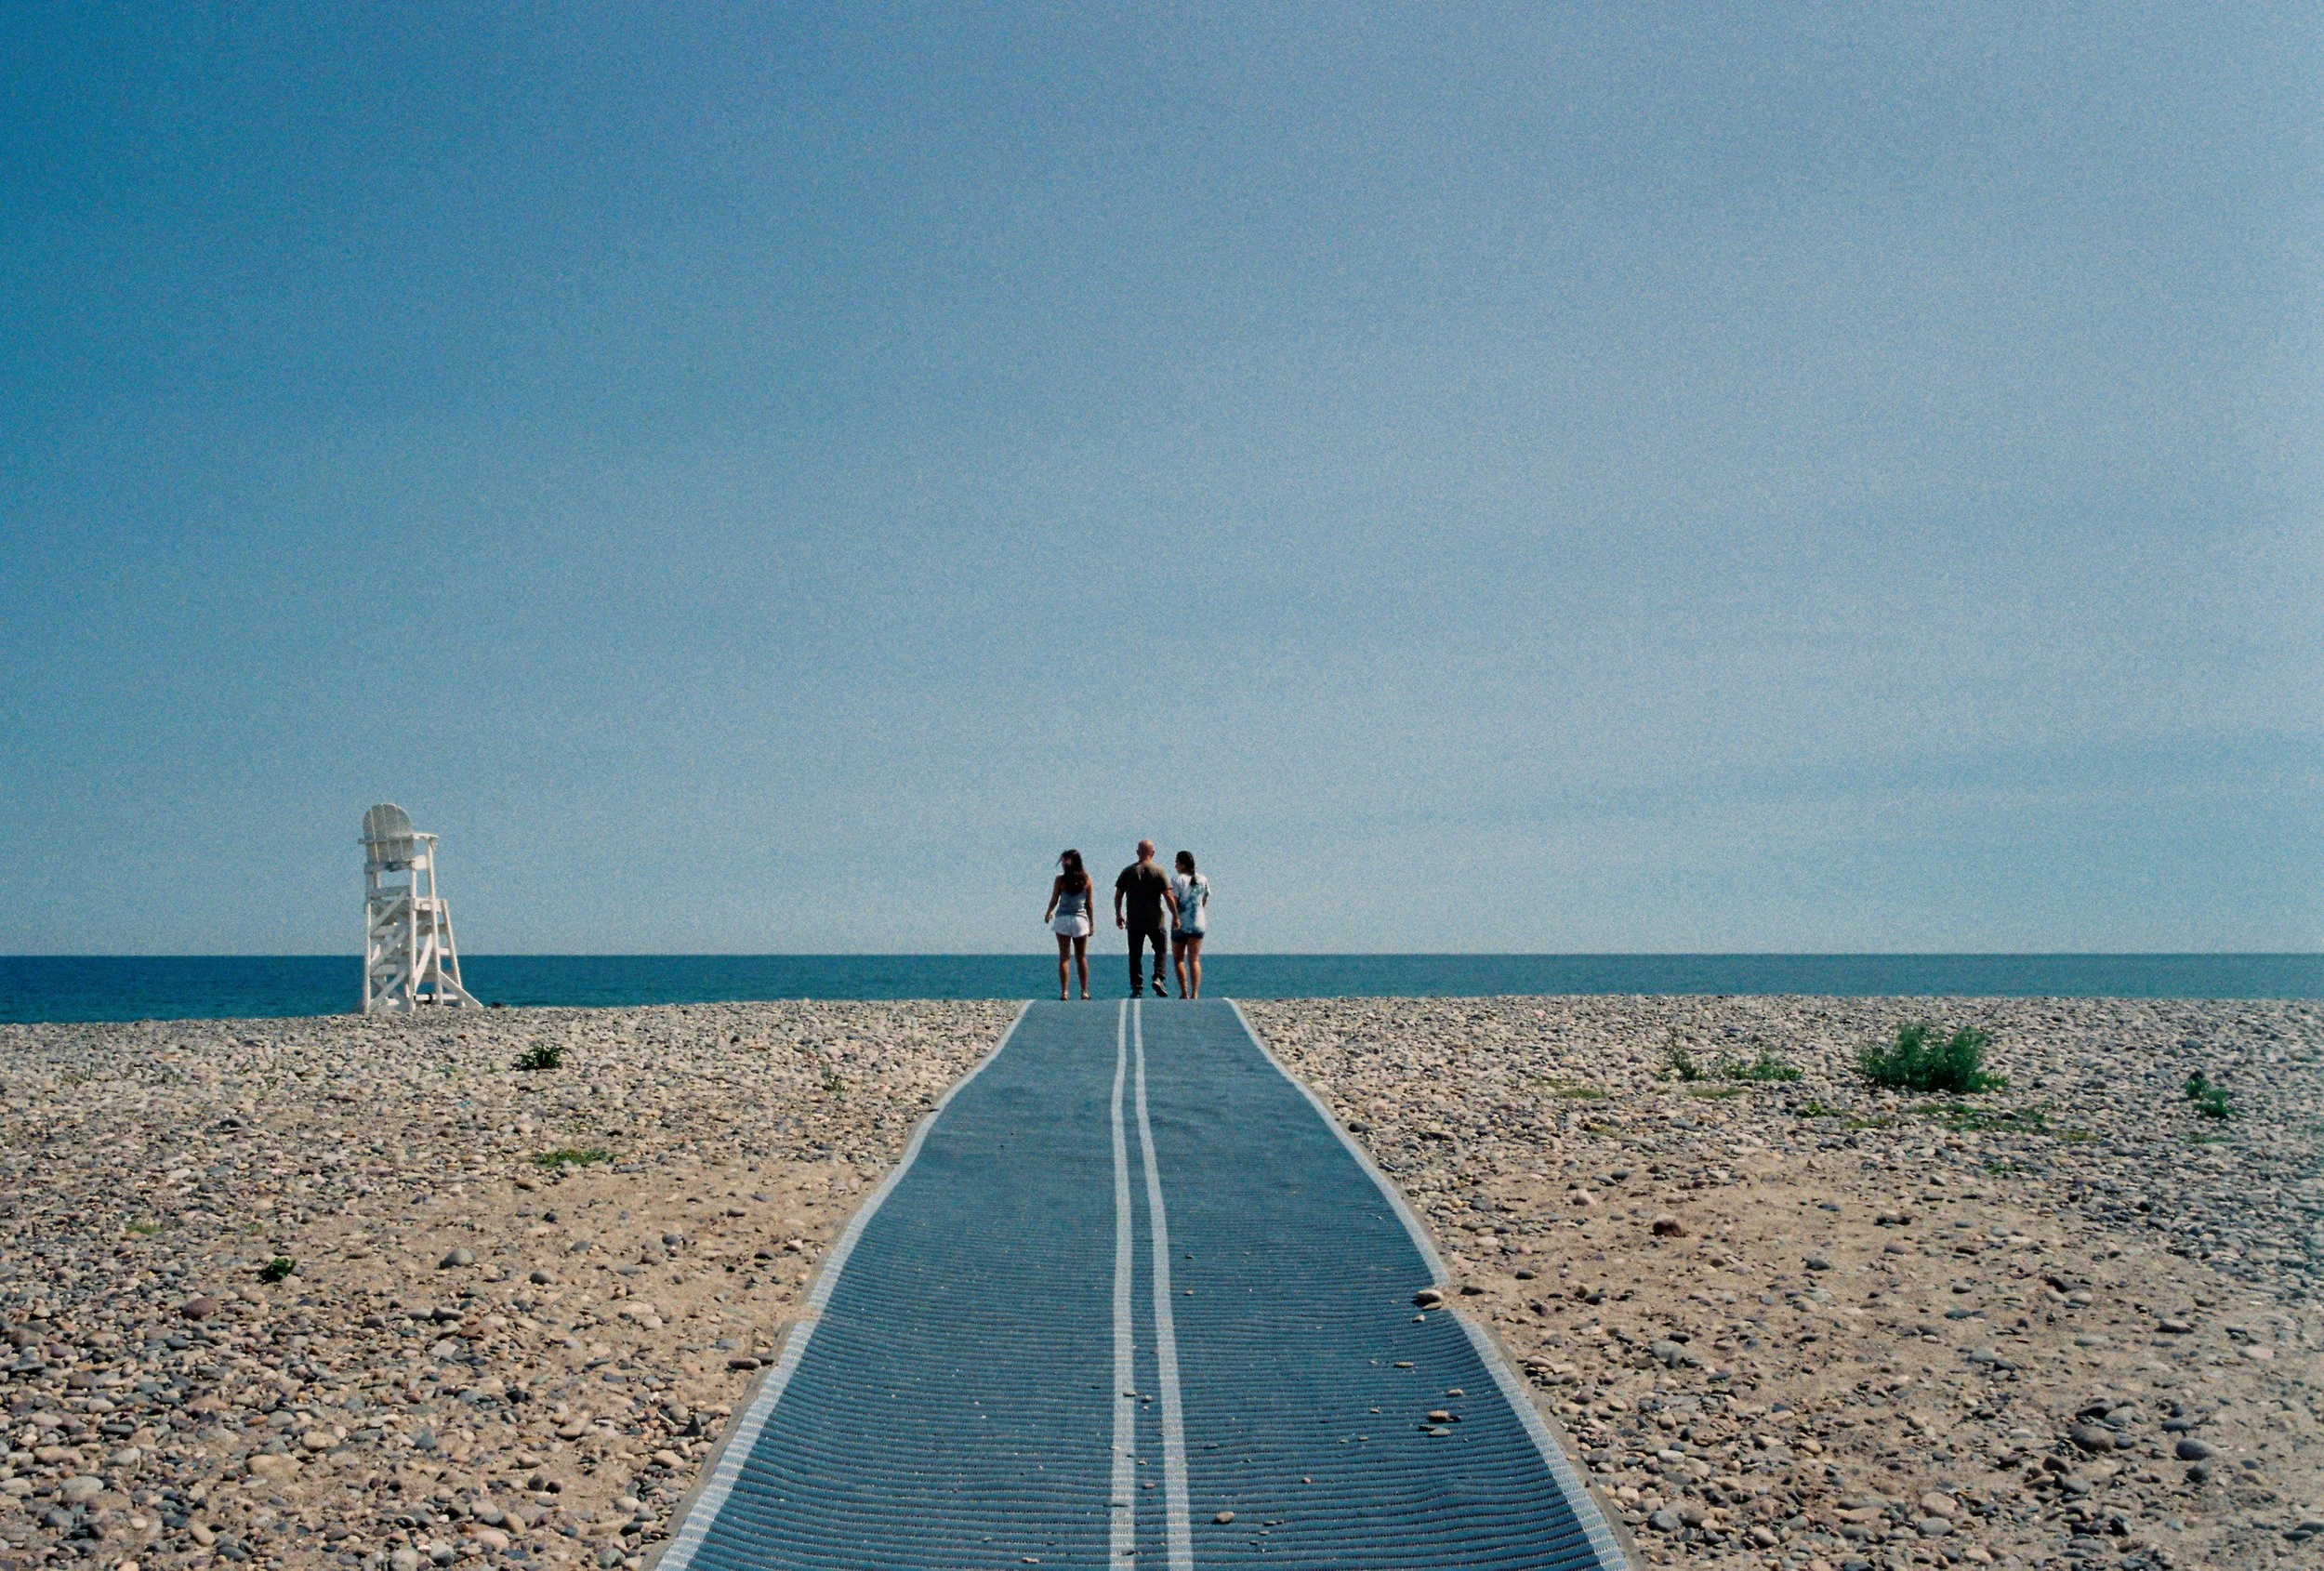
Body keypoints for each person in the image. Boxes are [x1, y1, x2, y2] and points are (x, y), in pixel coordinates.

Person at [1113, 839, 1178, 997]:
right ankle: (1159, 977)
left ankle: (1137, 987)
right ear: (1153, 853)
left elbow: (1118, 894)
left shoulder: (1128, 871)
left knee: (1135, 955)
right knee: (1160, 950)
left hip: (1134, 921)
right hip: (1155, 920)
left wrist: (1118, 913)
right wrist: (1175, 916)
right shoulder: (1159, 871)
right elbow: (1168, 896)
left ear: (1137, 852)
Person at [1043, 850, 1095, 1001]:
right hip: (1080, 920)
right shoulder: (1086, 880)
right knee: (1081, 957)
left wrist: (1048, 912)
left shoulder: (1060, 880)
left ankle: (1065, 992)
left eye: (1065, 860)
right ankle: (1084, 991)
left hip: (1063, 919)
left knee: (1064, 956)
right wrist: (1091, 923)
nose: (1063, 863)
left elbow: (1054, 899)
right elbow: (1089, 904)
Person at [1169, 850, 1208, 998]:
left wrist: (1174, 916)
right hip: (1198, 922)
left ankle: (1184, 992)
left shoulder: (1177, 880)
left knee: (1179, 959)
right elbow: (1204, 900)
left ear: (1183, 864)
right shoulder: (1202, 879)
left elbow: (1175, 902)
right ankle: (1195, 993)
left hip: (1181, 923)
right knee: (1194, 959)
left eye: (1177, 862)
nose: (1175, 866)